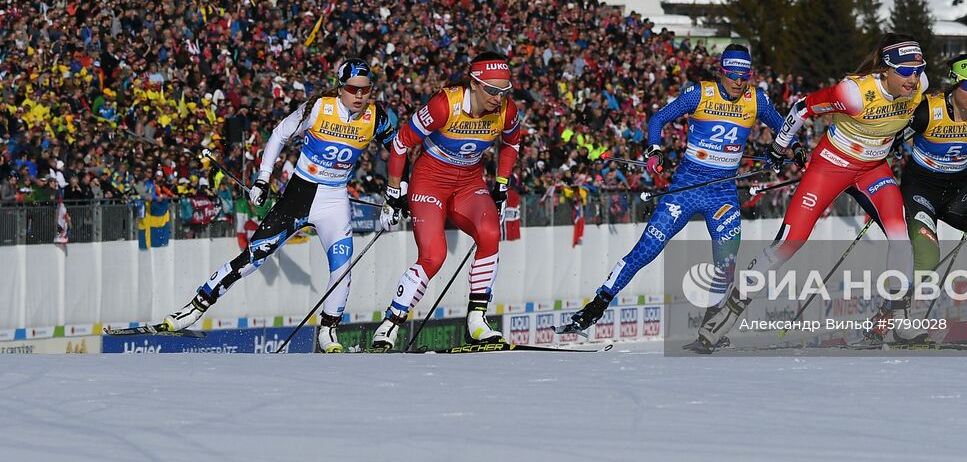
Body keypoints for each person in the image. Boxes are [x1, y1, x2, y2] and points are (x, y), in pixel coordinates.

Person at [694, 34, 927, 352]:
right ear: (886, 69)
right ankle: (726, 314)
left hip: (873, 168)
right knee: (789, 244)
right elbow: (802, 108)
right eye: (905, 71)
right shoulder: (855, 93)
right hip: (832, 165)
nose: (913, 79)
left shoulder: (919, 85)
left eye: (917, 70)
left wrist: (900, 136)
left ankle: (901, 322)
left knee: (901, 234)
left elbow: (911, 116)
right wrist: (779, 146)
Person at [161, 60, 394, 352]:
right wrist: (262, 180)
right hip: (299, 194)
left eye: (365, 90)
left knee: (342, 267)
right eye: (352, 89)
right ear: (339, 87)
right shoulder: (319, 107)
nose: (359, 96)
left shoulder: (377, 117)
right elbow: (279, 134)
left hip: (334, 199)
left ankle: (328, 332)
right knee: (253, 257)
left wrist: (397, 195)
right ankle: (194, 308)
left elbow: (399, 149)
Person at [558, 44, 783, 335]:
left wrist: (791, 148)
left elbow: (783, 125)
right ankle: (596, 306)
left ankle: (710, 328)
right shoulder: (700, 93)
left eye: (745, 76)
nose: (739, 82)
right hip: (686, 187)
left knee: (726, 262)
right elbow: (658, 119)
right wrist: (654, 150)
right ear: (721, 71)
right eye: (733, 75)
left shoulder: (757, 100)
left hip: (723, 192)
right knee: (646, 250)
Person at [371, 52, 522, 350]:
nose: (498, 97)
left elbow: (511, 143)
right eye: (492, 90)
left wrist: (501, 185)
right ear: (474, 84)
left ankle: (476, 322)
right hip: (431, 180)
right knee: (434, 255)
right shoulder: (445, 104)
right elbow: (401, 142)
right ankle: (390, 323)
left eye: (505, 91)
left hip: (468, 183)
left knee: (491, 233)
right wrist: (393, 191)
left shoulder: (505, 109)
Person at [890, 54, 967, 342]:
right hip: (920, 190)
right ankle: (890, 314)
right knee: (928, 255)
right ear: (954, 84)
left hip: (957, 189)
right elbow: (890, 140)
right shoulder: (928, 110)